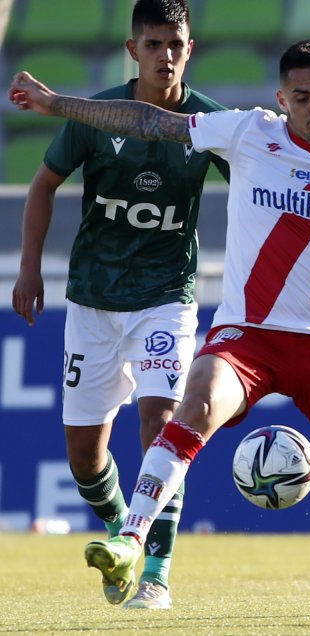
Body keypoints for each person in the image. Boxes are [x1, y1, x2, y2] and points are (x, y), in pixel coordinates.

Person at [10, 39, 310, 617]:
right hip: (246, 335)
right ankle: (131, 542)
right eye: (302, 97)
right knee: (195, 404)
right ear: (283, 99)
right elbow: (149, 119)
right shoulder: (251, 131)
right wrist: (60, 104)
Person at [10, 0, 228, 610]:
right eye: (153, 45)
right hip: (93, 301)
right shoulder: (96, 115)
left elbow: (259, 189)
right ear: (133, 50)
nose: (165, 56)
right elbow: (44, 184)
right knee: (85, 456)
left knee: (161, 426)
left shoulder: (208, 123)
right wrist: (31, 267)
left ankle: (155, 570)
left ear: (191, 48)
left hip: (166, 296)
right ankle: (118, 533)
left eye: (175, 45)